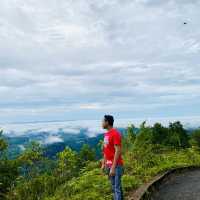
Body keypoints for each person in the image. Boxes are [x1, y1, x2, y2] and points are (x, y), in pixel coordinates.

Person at [101, 115, 123, 200]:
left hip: (116, 165)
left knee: (116, 188)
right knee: (116, 187)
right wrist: (103, 163)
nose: (102, 123)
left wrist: (113, 167)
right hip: (109, 164)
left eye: (103, 121)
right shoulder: (106, 134)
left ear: (107, 122)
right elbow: (106, 150)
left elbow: (118, 151)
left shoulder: (115, 134)